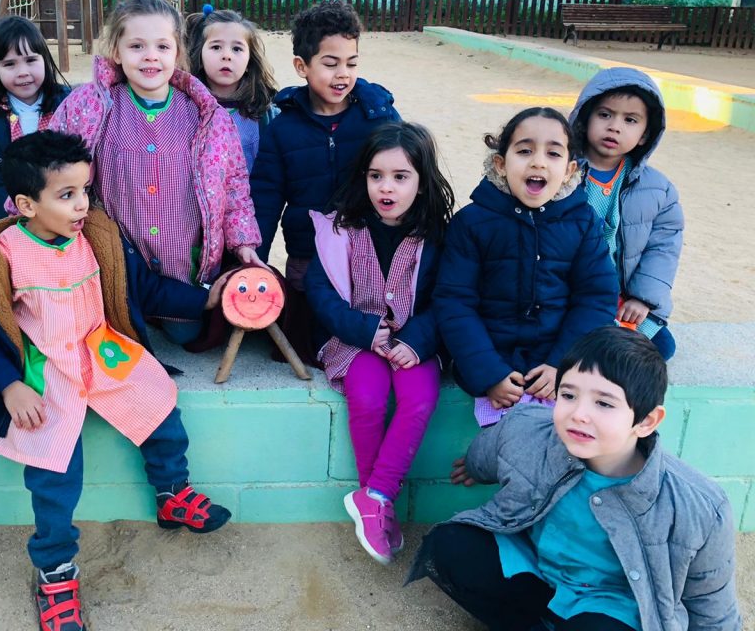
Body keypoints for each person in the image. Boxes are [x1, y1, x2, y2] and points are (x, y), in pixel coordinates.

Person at [0, 130, 232, 631]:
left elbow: (143, 287)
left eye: (85, 190)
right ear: (26, 205)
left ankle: (172, 493)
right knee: (54, 468)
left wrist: (205, 299)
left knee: (159, 404)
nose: (82, 205)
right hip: (45, 369)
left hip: (101, 351)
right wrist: (8, 385)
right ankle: (55, 569)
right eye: (66, 194)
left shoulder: (98, 234)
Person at [409, 326, 742, 631]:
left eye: (604, 403)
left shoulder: (699, 507)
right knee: (451, 545)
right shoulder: (528, 428)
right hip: (534, 567)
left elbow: (712, 607)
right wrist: (472, 467)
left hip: (608, 604)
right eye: (568, 395)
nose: (579, 414)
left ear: (646, 421)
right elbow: (487, 452)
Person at [48, 0, 261, 346]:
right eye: (137, 46)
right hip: (118, 259)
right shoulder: (91, 105)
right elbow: (48, 163)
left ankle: (172, 307)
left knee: (185, 334)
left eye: (162, 46)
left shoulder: (206, 116)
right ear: (116, 52)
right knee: (119, 331)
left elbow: (234, 184)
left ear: (177, 53)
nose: (150, 56)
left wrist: (243, 241)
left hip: (181, 261)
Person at [305, 123, 453, 564]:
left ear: (422, 182)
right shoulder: (341, 230)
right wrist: (363, 329)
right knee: (368, 398)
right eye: (376, 176)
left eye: (400, 177)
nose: (386, 187)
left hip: (415, 342)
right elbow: (320, 292)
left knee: (418, 399)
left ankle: (375, 496)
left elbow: (449, 297)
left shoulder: (439, 236)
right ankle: (377, 503)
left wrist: (417, 339)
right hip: (356, 341)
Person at [433, 107, 617, 428]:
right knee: (505, 448)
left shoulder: (583, 223)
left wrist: (562, 364)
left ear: (570, 170)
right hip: (496, 367)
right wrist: (489, 373)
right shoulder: (471, 223)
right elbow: (454, 302)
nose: (538, 162)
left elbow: (596, 299)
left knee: (570, 443)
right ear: (500, 164)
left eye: (553, 153)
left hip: (559, 367)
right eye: (524, 151)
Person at [249, 0, 400, 360]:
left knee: (371, 336)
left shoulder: (379, 118)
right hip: (307, 254)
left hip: (371, 255)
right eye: (330, 64)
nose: (342, 74)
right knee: (306, 345)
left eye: (351, 63)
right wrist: (256, 259)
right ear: (302, 66)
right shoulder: (283, 128)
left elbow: (406, 179)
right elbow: (266, 198)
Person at [568, 67, 683, 360]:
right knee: (573, 343)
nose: (614, 127)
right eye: (605, 114)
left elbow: (663, 247)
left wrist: (642, 298)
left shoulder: (657, 189)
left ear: (645, 135)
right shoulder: (561, 174)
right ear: (584, 119)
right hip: (569, 293)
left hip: (622, 297)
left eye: (630, 120)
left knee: (660, 348)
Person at [0, 15, 72, 232]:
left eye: (31, 60)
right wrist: (21, 225)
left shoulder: (68, 106)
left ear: (44, 59)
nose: (23, 72)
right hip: (8, 224)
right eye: (9, 64)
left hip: (63, 217)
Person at [186, 5, 278, 172]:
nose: (227, 56)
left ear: (249, 61)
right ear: (199, 55)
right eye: (216, 47)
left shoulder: (265, 114)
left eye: (237, 49)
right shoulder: (185, 109)